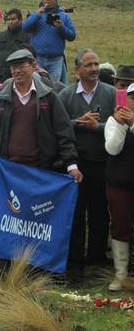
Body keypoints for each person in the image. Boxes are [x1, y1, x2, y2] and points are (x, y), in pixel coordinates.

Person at [0, 49, 82, 191]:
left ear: (33, 66)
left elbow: (63, 131)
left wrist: (71, 165)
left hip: (41, 171)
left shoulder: (48, 96)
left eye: (21, 66)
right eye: (13, 67)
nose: (17, 71)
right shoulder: (0, 97)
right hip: (8, 172)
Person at [58, 49, 116, 273]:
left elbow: (121, 125)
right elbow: (59, 128)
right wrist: (77, 122)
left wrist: (97, 127)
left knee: (100, 213)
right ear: (77, 70)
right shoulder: (66, 95)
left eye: (96, 64)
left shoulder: (111, 93)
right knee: (75, 214)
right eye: (89, 65)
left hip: (103, 163)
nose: (94, 69)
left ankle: (97, 261)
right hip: (76, 165)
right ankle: (75, 262)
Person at [104, 83, 134, 291]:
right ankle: (121, 274)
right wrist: (121, 124)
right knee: (120, 227)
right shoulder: (112, 121)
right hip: (120, 184)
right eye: (131, 97)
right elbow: (113, 148)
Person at [22, 0, 76, 84]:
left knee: (53, 88)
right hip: (37, 60)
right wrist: (37, 15)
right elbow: (24, 28)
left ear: (56, 0)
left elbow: (72, 36)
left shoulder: (64, 16)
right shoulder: (37, 14)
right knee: (37, 86)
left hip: (55, 60)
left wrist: (61, 27)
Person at [0, 8, 30, 82]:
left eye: (13, 19)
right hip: (2, 76)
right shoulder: (1, 35)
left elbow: (30, 57)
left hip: (19, 75)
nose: (10, 22)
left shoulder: (27, 35)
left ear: (20, 20)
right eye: (8, 20)